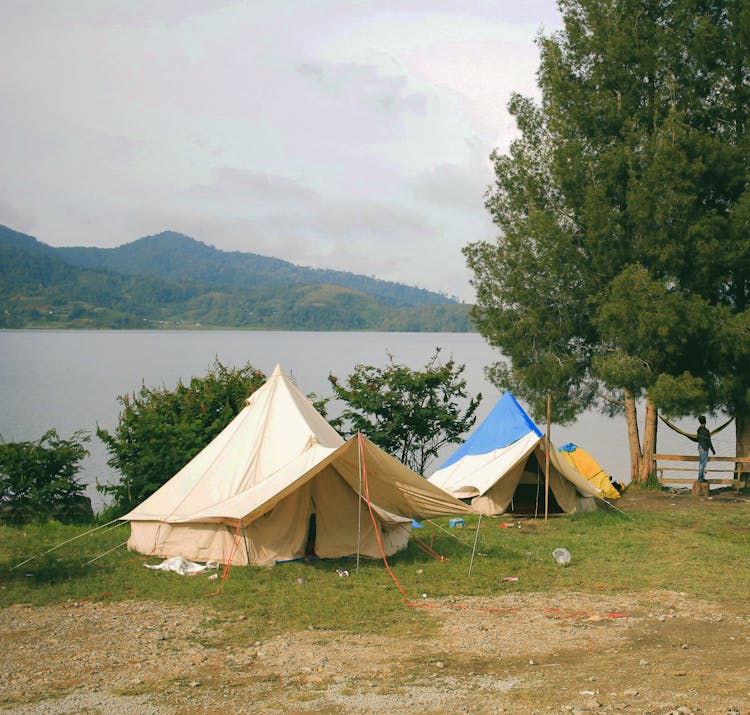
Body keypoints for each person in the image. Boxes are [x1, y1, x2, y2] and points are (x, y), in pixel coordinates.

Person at [696, 415, 716, 482]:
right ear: (705, 421)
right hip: (704, 448)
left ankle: (701, 477)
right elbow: (708, 441)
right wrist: (713, 450)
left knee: (702, 463)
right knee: (703, 463)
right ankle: (700, 478)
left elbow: (698, 439)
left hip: (700, 447)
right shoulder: (706, 431)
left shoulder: (698, 430)